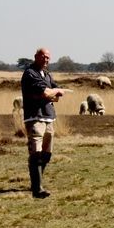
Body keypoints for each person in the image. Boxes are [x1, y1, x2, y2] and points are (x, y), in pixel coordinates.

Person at [21, 48, 66, 198]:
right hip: (35, 118)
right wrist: (52, 93)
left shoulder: (46, 74)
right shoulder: (30, 73)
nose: (46, 60)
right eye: (43, 57)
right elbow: (47, 93)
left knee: (47, 154)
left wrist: (53, 92)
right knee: (36, 152)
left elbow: (56, 89)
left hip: (48, 117)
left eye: (48, 58)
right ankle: (37, 189)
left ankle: (36, 182)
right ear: (36, 57)